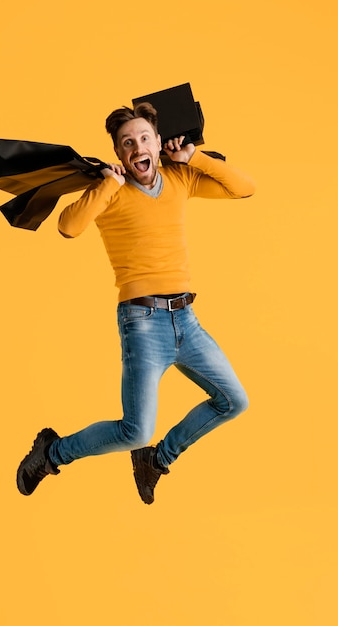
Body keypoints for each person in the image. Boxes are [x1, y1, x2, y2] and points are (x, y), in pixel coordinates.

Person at [16, 102, 256, 504]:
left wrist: (193, 156)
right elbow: (68, 227)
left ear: (159, 143)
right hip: (142, 323)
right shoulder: (109, 190)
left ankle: (157, 459)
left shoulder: (180, 177)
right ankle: (51, 452)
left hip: (187, 320)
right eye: (128, 142)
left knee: (234, 401)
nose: (137, 146)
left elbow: (244, 187)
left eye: (145, 138)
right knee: (136, 430)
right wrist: (108, 183)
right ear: (119, 152)